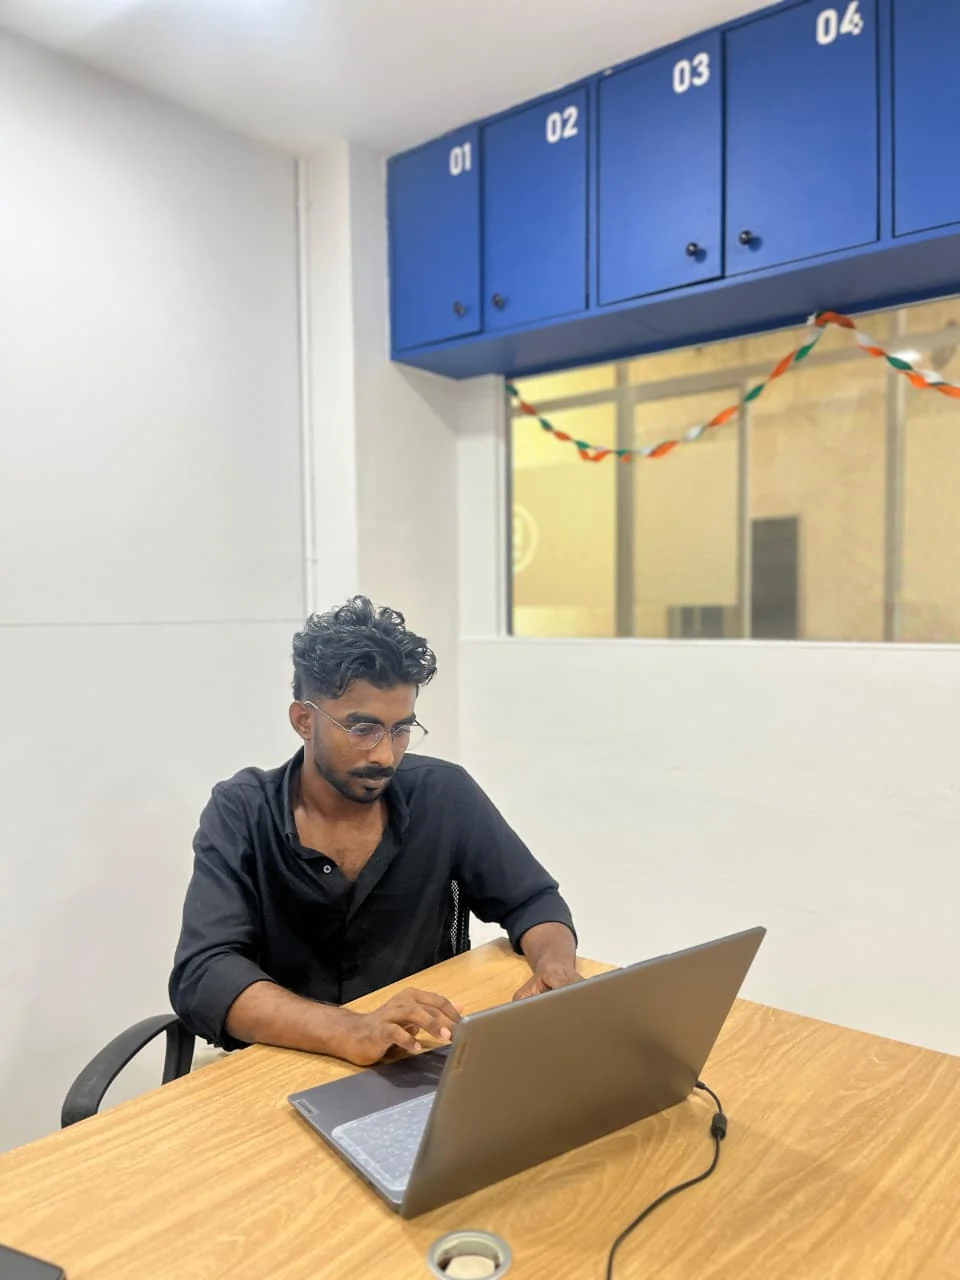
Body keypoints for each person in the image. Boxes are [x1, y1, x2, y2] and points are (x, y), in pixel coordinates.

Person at [169, 596, 579, 1066]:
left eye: (400, 729)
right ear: (304, 721)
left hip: (417, 1054)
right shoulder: (242, 811)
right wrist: (349, 1030)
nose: (385, 755)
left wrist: (554, 967)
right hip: (286, 1060)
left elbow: (532, 901)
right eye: (362, 729)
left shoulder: (443, 795)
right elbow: (204, 974)